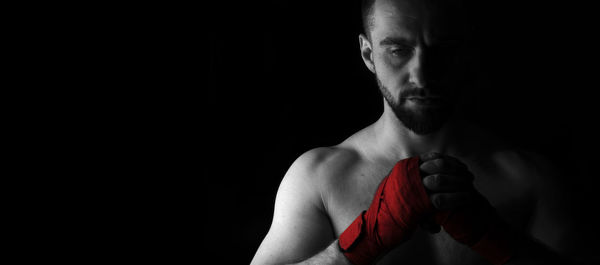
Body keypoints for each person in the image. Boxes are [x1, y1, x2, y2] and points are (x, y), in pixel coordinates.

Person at [251, 0, 576, 264]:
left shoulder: (529, 179)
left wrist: (501, 242)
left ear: (464, 52)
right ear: (368, 55)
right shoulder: (319, 177)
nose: (421, 74)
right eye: (398, 50)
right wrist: (357, 247)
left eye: (442, 50)